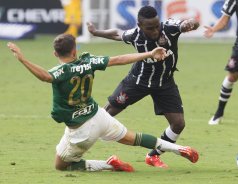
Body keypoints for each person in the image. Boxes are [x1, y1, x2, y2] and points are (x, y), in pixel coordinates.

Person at [7, 34, 199, 172]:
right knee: (134, 138)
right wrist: (149, 54)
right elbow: (119, 59)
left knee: (60, 166)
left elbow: (45, 76)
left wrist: (22, 58)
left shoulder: (61, 72)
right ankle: (178, 148)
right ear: (75, 51)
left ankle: (110, 164)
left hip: (81, 130)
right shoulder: (89, 61)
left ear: (54, 53)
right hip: (99, 115)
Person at [87, 5, 200, 168]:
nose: (155, 31)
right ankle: (79, 142)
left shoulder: (169, 28)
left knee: (178, 123)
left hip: (164, 83)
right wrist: (96, 32)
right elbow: (117, 34)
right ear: (139, 26)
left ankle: (153, 156)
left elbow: (189, 23)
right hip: (137, 81)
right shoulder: (135, 35)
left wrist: (191, 23)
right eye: (150, 28)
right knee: (106, 114)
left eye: (156, 26)